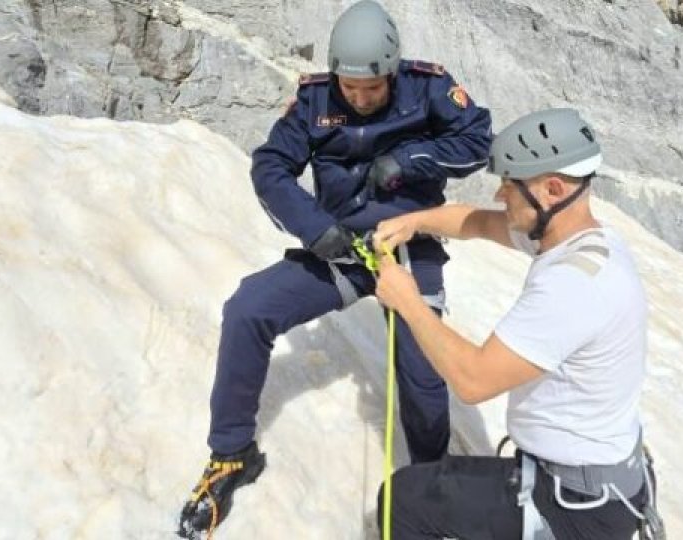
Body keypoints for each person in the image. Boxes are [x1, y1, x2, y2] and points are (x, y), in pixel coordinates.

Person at [176, 1, 492, 537]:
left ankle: (430, 485)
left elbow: (477, 139)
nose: (362, 99)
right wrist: (312, 226)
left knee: (422, 372)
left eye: (374, 88)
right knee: (249, 309)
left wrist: (411, 161)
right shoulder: (314, 99)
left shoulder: (428, 88)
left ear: (392, 71)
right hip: (341, 245)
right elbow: (271, 165)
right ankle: (230, 455)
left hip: (408, 245)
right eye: (352, 88)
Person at [372, 108, 663, 539]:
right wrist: (415, 221)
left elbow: (473, 381)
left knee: (403, 501)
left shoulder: (572, 285)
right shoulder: (581, 240)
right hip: (597, 484)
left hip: (575, 506)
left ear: (552, 189)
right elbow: (482, 224)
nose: (499, 193)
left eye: (510, 184)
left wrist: (409, 302)